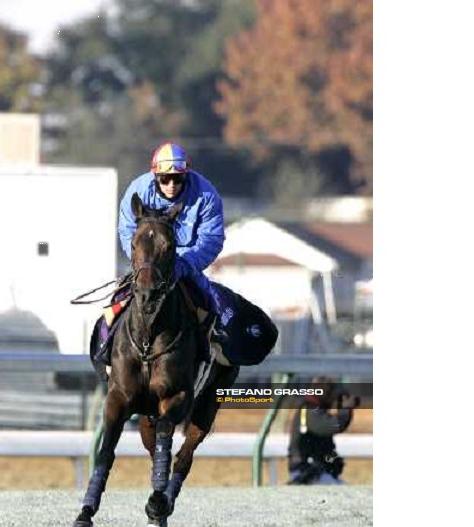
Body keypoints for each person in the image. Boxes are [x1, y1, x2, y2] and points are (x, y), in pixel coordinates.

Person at [91, 142, 277, 373]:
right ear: (155, 175)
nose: (171, 185)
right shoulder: (138, 190)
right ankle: (104, 348)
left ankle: (210, 352)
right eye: (165, 179)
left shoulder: (207, 195)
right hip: (149, 265)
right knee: (117, 301)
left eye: (177, 179)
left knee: (209, 302)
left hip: (187, 266)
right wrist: (145, 265)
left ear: (186, 176)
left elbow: (211, 240)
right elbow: (128, 231)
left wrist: (184, 265)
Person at [287, 380, 359, 485]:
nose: (334, 400)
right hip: (308, 474)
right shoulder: (311, 410)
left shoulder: (315, 409)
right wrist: (345, 409)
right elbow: (331, 426)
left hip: (318, 472)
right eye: (334, 395)